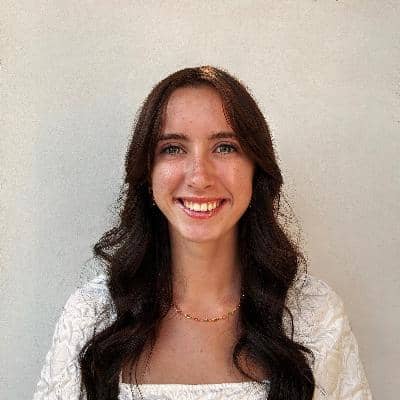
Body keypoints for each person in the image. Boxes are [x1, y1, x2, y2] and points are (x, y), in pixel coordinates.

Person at [33, 66, 372, 400]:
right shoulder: (91, 317)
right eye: (173, 148)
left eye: (224, 147)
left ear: (256, 169)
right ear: (147, 174)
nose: (199, 177)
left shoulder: (314, 315)